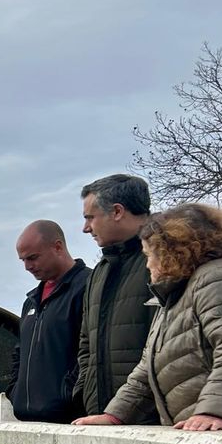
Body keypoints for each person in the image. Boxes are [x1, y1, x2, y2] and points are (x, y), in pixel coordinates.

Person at [74, 203, 222, 432]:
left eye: (149, 255)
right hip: (198, 432)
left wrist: (214, 411)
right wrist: (115, 415)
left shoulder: (216, 279)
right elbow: (146, 371)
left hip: (216, 431)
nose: (148, 265)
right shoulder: (173, 297)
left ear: (174, 251)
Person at [75, 174, 155, 421]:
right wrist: (84, 395)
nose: (86, 228)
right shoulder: (100, 271)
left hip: (155, 421)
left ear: (117, 211)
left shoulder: (166, 261)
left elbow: (169, 349)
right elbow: (86, 344)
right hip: (101, 419)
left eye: (90, 217)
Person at [6, 221, 91, 422]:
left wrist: (66, 396)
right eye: (23, 260)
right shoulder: (31, 300)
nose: (27, 266)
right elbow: (20, 352)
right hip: (27, 419)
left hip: (71, 421)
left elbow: (92, 350)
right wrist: (14, 391)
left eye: (33, 258)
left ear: (58, 247)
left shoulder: (89, 286)